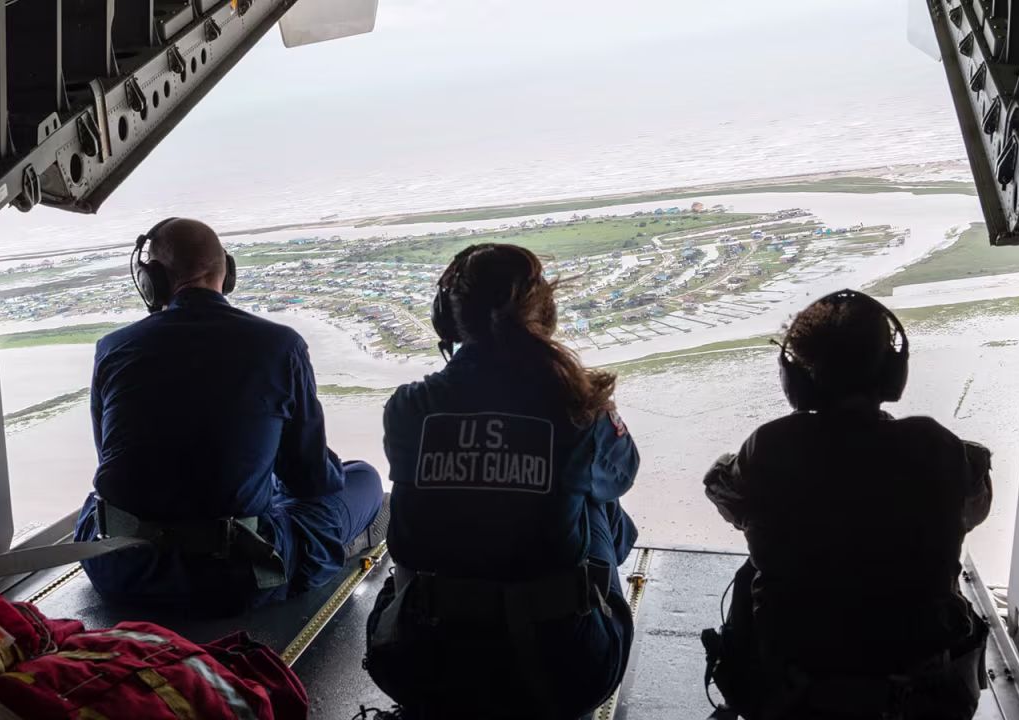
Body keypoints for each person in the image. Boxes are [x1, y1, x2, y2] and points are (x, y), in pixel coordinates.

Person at [364, 244, 640, 719]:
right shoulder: (580, 408)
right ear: (544, 315)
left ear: (447, 322)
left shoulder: (408, 407)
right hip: (562, 677)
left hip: (419, 666)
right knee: (596, 501)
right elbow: (623, 474)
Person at [73, 217, 388, 616]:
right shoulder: (280, 345)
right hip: (235, 577)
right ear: (227, 272)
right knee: (363, 478)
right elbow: (311, 480)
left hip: (120, 570)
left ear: (152, 279)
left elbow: (113, 462)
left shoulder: (112, 347)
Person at [702, 289, 993, 720]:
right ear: (894, 374)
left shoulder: (770, 447)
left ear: (796, 380)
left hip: (798, 694)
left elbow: (724, 496)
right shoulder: (938, 446)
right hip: (927, 695)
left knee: (751, 576)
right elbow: (974, 509)